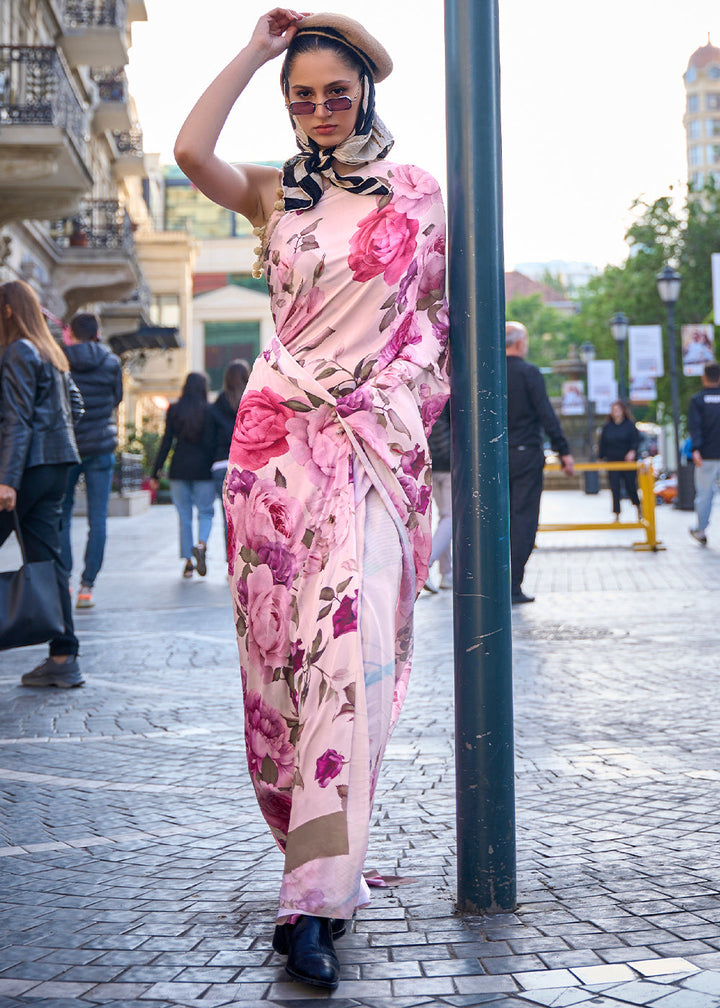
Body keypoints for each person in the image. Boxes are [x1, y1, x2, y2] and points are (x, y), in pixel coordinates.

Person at [174, 9, 449, 990]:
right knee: (283, 676)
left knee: (346, 659)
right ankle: (315, 862)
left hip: (371, 448)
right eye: (304, 98)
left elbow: (433, 325)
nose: (323, 110)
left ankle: (312, 906)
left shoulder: (419, 195)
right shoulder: (273, 196)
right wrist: (256, 52)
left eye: (338, 91)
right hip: (272, 456)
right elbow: (189, 151)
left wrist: (382, 396)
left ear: (366, 90)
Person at [0, 280, 84, 687]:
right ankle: (63, 656)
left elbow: (17, 420)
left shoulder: (18, 351)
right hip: (57, 464)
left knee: (46, 558)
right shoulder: (51, 352)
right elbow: (77, 407)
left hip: (27, 471)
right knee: (46, 559)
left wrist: (7, 481)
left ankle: (64, 656)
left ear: (8, 311)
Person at [505, 321, 574, 604]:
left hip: (494, 457)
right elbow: (546, 414)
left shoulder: (488, 372)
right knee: (523, 518)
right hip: (526, 455)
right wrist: (563, 451)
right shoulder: (529, 373)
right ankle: (513, 583)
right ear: (520, 343)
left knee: (498, 518)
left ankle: (495, 581)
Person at [60, 312, 123, 609]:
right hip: (100, 445)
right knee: (97, 518)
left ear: (71, 333)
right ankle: (87, 587)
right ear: (98, 333)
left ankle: (64, 581)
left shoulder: (60, 358)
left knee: (62, 514)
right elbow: (116, 399)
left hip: (67, 445)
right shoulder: (111, 361)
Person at [149, 372, 215, 578]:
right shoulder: (209, 410)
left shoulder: (175, 409)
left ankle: (188, 562)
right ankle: (201, 545)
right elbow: (211, 443)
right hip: (204, 468)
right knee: (206, 511)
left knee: (184, 515)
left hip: (179, 468)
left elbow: (166, 442)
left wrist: (155, 473)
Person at [210, 359, 250, 560]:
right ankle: (246, 558)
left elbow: (209, 437)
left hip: (221, 465)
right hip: (247, 463)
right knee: (249, 514)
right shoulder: (251, 399)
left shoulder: (218, 403)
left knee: (227, 514)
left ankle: (231, 559)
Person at [688, 360, 720, 545]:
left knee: (704, 494)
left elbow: (695, 427)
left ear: (704, 378)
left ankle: (701, 530)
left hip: (706, 455)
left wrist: (696, 449)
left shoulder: (698, 400)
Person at [424, 400, 452, 592]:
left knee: (444, 518)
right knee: (450, 518)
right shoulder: (450, 395)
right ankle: (427, 563)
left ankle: (446, 573)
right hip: (449, 463)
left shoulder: (425, 392)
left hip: (429, 462)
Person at [598, 400, 641, 521]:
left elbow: (635, 441)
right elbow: (602, 443)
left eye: (617, 410)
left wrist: (632, 451)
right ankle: (617, 513)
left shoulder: (629, 425)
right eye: (613, 410)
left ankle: (638, 506)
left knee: (630, 486)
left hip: (627, 461)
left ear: (622, 411)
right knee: (614, 487)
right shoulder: (607, 427)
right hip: (612, 461)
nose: (615, 412)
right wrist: (600, 458)